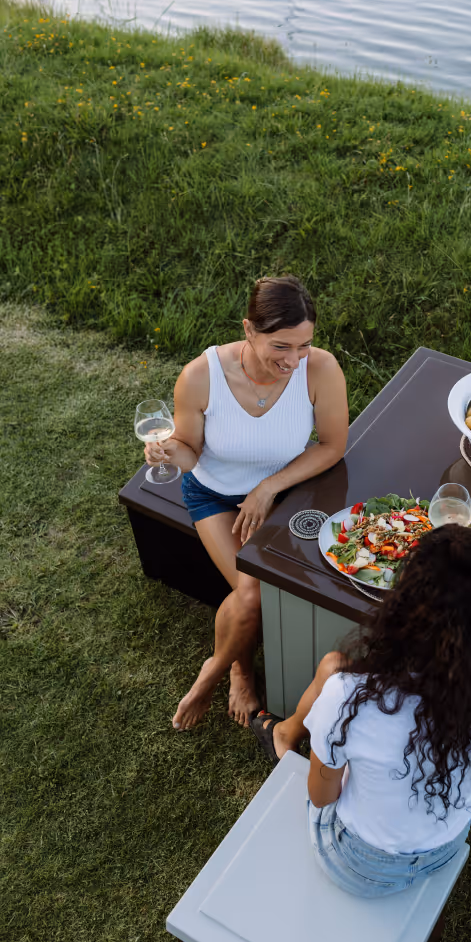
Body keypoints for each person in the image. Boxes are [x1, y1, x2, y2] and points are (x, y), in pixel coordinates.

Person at [251, 523, 471, 897]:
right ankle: (288, 733)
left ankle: (284, 735)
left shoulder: (350, 696)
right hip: (444, 846)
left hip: (359, 864)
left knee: (333, 667)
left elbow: (321, 797)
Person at [143, 275, 348, 731]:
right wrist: (168, 451)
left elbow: (333, 445)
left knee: (274, 586)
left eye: (304, 345)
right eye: (281, 346)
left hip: (283, 494)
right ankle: (233, 671)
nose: (294, 360)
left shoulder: (321, 369)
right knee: (252, 590)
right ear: (249, 330)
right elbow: (190, 453)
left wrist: (268, 488)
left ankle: (213, 670)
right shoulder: (201, 377)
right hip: (212, 494)